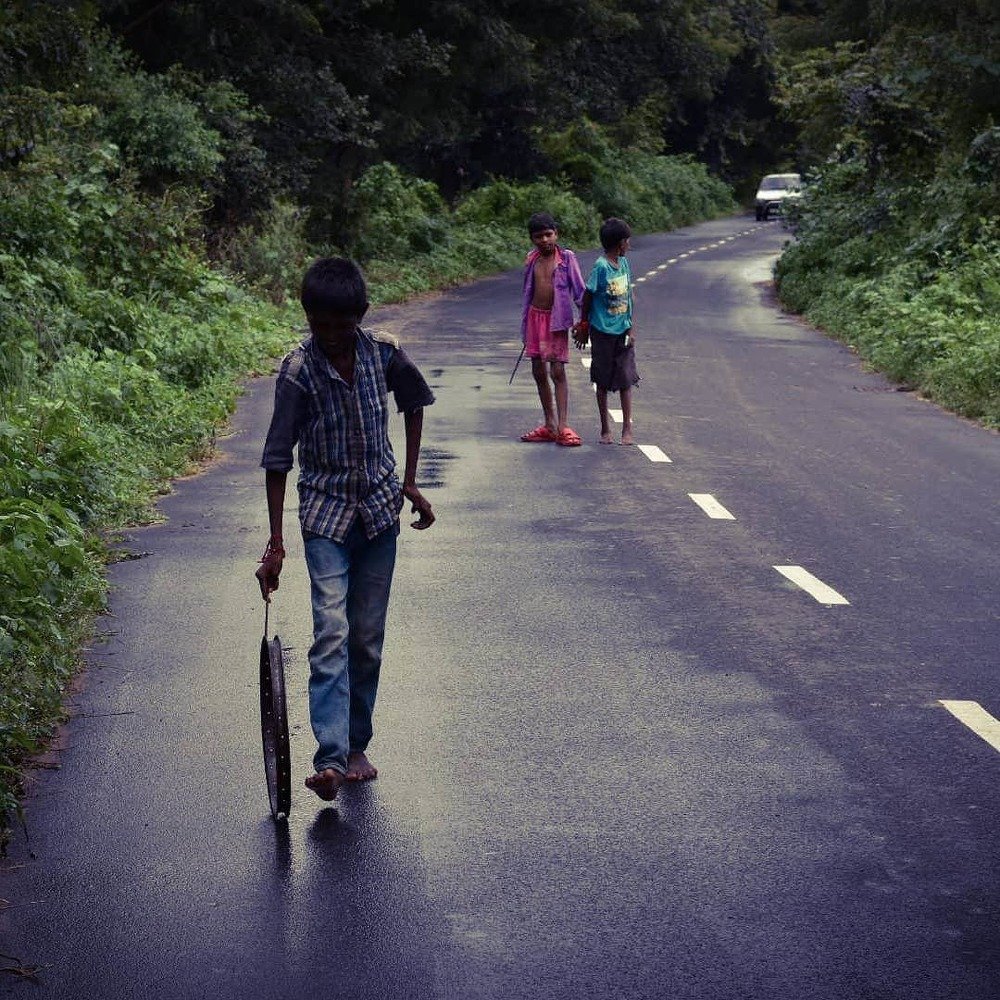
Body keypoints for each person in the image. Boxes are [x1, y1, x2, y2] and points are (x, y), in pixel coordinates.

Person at [255, 257, 436, 803]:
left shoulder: (383, 353)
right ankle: (330, 759)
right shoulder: (297, 370)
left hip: (379, 513)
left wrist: (409, 480)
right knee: (330, 631)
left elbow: (415, 403)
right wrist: (276, 543)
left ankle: (358, 745)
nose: (332, 337)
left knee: (366, 638)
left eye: (342, 326)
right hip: (326, 517)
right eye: (320, 326)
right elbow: (277, 457)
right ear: (308, 317)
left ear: (360, 316)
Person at [518, 211, 587, 447]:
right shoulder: (531, 259)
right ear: (532, 239)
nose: (545, 240)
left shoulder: (567, 259)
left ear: (556, 234)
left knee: (557, 371)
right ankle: (549, 424)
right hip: (534, 319)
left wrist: (584, 321)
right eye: (539, 237)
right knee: (538, 371)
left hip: (556, 322)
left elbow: (579, 292)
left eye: (549, 234)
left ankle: (563, 426)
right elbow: (528, 290)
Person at [572, 217, 639, 445]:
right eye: (627, 241)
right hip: (601, 332)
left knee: (626, 380)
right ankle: (604, 429)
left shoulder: (625, 264)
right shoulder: (601, 267)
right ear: (620, 243)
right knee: (601, 380)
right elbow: (588, 296)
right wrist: (583, 325)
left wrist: (631, 327)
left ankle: (627, 428)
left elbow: (629, 298)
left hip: (622, 331)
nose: (629, 245)